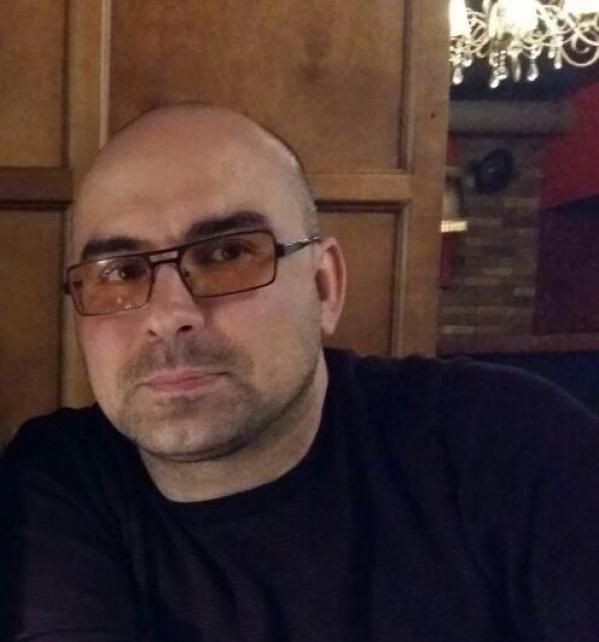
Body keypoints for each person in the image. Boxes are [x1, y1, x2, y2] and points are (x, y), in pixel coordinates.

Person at [1, 104, 598, 642]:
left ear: (324, 286)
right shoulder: (57, 480)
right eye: (120, 272)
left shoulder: (509, 442)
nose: (168, 315)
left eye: (228, 254)